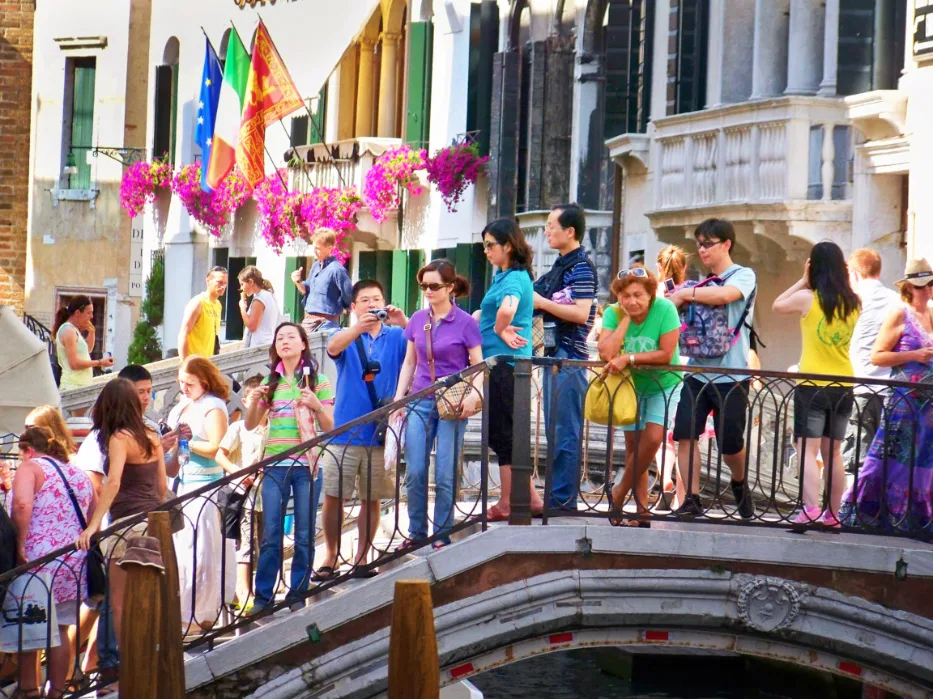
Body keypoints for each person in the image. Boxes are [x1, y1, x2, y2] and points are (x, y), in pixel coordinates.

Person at [72, 365, 189, 685]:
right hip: (156, 524)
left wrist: (93, 526)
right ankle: (151, 661)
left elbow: (112, 484)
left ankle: (130, 668)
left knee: (122, 604)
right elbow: (162, 482)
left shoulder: (120, 438)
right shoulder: (150, 434)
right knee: (152, 601)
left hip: (128, 528)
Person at [317, 281, 408, 578]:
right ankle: (330, 556)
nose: (372, 304)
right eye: (365, 300)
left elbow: (421, 346)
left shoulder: (395, 336)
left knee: (372, 498)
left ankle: (362, 557)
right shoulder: (343, 334)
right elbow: (332, 347)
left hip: (381, 433)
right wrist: (357, 328)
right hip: (345, 430)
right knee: (333, 495)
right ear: (353, 307)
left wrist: (404, 321)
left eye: (377, 299)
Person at [666, 218, 756, 518]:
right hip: (696, 372)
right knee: (685, 434)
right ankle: (691, 498)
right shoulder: (697, 283)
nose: (702, 250)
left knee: (730, 445)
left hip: (732, 375)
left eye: (708, 244)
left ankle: (739, 481)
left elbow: (725, 295)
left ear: (726, 244)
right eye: (699, 244)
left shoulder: (743, 275)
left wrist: (684, 294)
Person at [392, 260, 484, 550]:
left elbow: (478, 366)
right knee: (416, 470)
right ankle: (416, 532)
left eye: (434, 286)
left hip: (452, 404)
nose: (428, 291)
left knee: (445, 471)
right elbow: (410, 361)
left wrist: (474, 396)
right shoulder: (418, 319)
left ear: (450, 287)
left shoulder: (466, 322)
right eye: (423, 286)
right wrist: (398, 399)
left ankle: (441, 533)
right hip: (419, 399)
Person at [243, 324, 335, 611]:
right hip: (275, 465)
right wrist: (256, 401)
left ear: (304, 344)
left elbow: (330, 426)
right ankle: (263, 597)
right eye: (279, 337)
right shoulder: (271, 382)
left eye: (290, 337)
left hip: (306, 464)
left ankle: (297, 592)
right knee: (271, 533)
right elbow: (250, 425)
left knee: (305, 533)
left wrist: (316, 406)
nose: (284, 341)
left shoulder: (317, 381)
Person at [839, 258, 933, 532]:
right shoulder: (899, 313)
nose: (926, 290)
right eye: (920, 286)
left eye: (929, 284)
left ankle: (916, 518)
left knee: (923, 462)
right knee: (889, 459)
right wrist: (914, 354)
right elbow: (877, 356)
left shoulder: (932, 315)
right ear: (908, 288)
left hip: (928, 407)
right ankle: (872, 513)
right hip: (903, 402)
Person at [773, 241, 861, 525]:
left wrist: (801, 280)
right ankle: (833, 516)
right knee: (833, 452)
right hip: (844, 385)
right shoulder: (854, 302)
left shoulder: (807, 298)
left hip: (812, 385)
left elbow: (776, 306)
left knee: (806, 450)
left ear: (815, 267)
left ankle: (810, 509)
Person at [12, 427, 96, 699]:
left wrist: (20, 544)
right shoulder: (78, 473)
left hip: (38, 560)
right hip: (73, 561)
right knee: (60, 630)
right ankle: (56, 693)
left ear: (28, 450)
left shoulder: (31, 467)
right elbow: (92, 514)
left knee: (30, 625)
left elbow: (22, 505)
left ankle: (28, 690)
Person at [598, 266, 683, 527]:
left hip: (664, 383)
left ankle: (619, 492)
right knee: (635, 447)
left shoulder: (665, 310)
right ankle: (642, 510)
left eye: (638, 295)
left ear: (650, 295)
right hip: (630, 387)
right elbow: (606, 352)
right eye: (625, 296)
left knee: (653, 439)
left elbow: (666, 354)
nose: (632, 301)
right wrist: (624, 319)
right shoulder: (614, 313)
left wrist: (629, 357)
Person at [532, 204, 597, 512]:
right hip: (554, 357)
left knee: (565, 433)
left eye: (550, 226)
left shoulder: (581, 267)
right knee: (555, 432)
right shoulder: (560, 266)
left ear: (570, 232)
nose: (546, 231)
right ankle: (558, 498)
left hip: (569, 357)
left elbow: (582, 313)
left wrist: (542, 302)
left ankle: (563, 500)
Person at [479, 218, 543, 522]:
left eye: (491, 245)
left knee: (504, 433)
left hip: (507, 365)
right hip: (501, 364)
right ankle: (530, 497)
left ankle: (507, 502)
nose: (487, 251)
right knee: (503, 432)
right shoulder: (504, 277)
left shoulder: (515, 277)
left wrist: (501, 329)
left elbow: (507, 310)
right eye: (484, 246)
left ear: (508, 246)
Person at [166, 356, 230, 632]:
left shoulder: (213, 406)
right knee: (182, 550)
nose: (184, 387)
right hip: (181, 481)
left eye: (189, 383)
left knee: (201, 550)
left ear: (203, 381)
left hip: (205, 485)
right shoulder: (183, 405)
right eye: (180, 382)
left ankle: (201, 612)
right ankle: (182, 611)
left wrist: (188, 440)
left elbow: (217, 447)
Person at [844, 249, 899, 477]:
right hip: (891, 389)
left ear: (854, 274)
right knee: (889, 459)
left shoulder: (850, 301)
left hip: (861, 387)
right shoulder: (897, 301)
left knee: (856, 459)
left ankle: (853, 509)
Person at [215, 375, 268, 609]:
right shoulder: (239, 428)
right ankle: (244, 590)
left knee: (266, 541)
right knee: (244, 542)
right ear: (245, 402)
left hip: (266, 495)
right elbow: (220, 454)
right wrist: (238, 472)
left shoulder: (273, 429)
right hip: (243, 494)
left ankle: (264, 586)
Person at [654, 245, 689, 502]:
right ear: (684, 267)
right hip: (689, 367)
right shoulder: (689, 292)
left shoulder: (654, 297)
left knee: (663, 434)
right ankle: (682, 495)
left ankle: (665, 476)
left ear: (658, 267)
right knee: (685, 438)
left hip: (662, 367)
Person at [291, 229, 353, 334]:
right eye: (314, 247)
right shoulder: (315, 266)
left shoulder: (337, 270)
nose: (314, 251)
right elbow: (306, 290)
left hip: (327, 323)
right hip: (308, 321)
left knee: (324, 351)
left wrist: (343, 308)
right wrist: (297, 281)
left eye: (318, 248)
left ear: (329, 249)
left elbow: (348, 295)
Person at [54, 295, 113, 391]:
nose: (91, 316)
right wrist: (100, 362)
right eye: (88, 313)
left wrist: (92, 332)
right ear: (77, 313)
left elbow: (87, 350)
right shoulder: (68, 330)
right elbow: (74, 363)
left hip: (81, 385)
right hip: (72, 386)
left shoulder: (73, 329)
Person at [178, 266, 228, 360]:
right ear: (208, 281)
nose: (223, 286)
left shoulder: (218, 305)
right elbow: (183, 333)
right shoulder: (198, 303)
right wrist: (184, 363)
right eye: (220, 282)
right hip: (195, 362)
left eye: (225, 283)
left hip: (208, 362)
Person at [238, 265, 279, 348]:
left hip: (259, 345)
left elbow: (252, 326)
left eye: (242, 284)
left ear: (251, 282)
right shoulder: (269, 295)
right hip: (268, 342)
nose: (241, 288)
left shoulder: (260, 299)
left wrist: (242, 309)